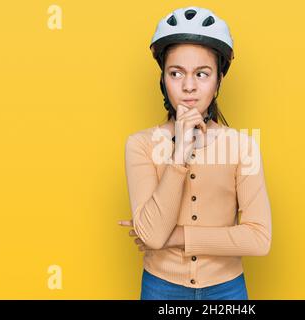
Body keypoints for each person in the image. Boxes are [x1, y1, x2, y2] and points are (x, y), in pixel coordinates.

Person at [118, 6, 272, 300]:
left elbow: (258, 239)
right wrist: (179, 155)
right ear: (163, 79)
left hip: (227, 290)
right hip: (160, 288)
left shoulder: (242, 146)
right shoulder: (140, 145)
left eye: (202, 74)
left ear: (218, 82)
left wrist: (174, 237)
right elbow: (151, 237)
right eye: (176, 73)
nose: (189, 86)